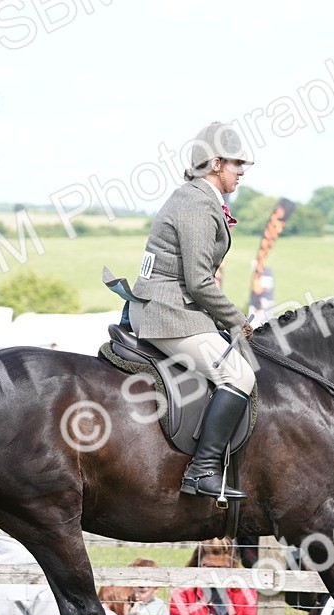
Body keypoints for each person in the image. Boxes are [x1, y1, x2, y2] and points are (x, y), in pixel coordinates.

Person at [128, 121, 256, 500]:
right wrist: (238, 320)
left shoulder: (196, 198)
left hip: (176, 307)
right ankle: (201, 472)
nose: (242, 172)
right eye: (237, 164)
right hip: (169, 312)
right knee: (239, 376)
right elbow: (199, 281)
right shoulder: (198, 204)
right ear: (216, 163)